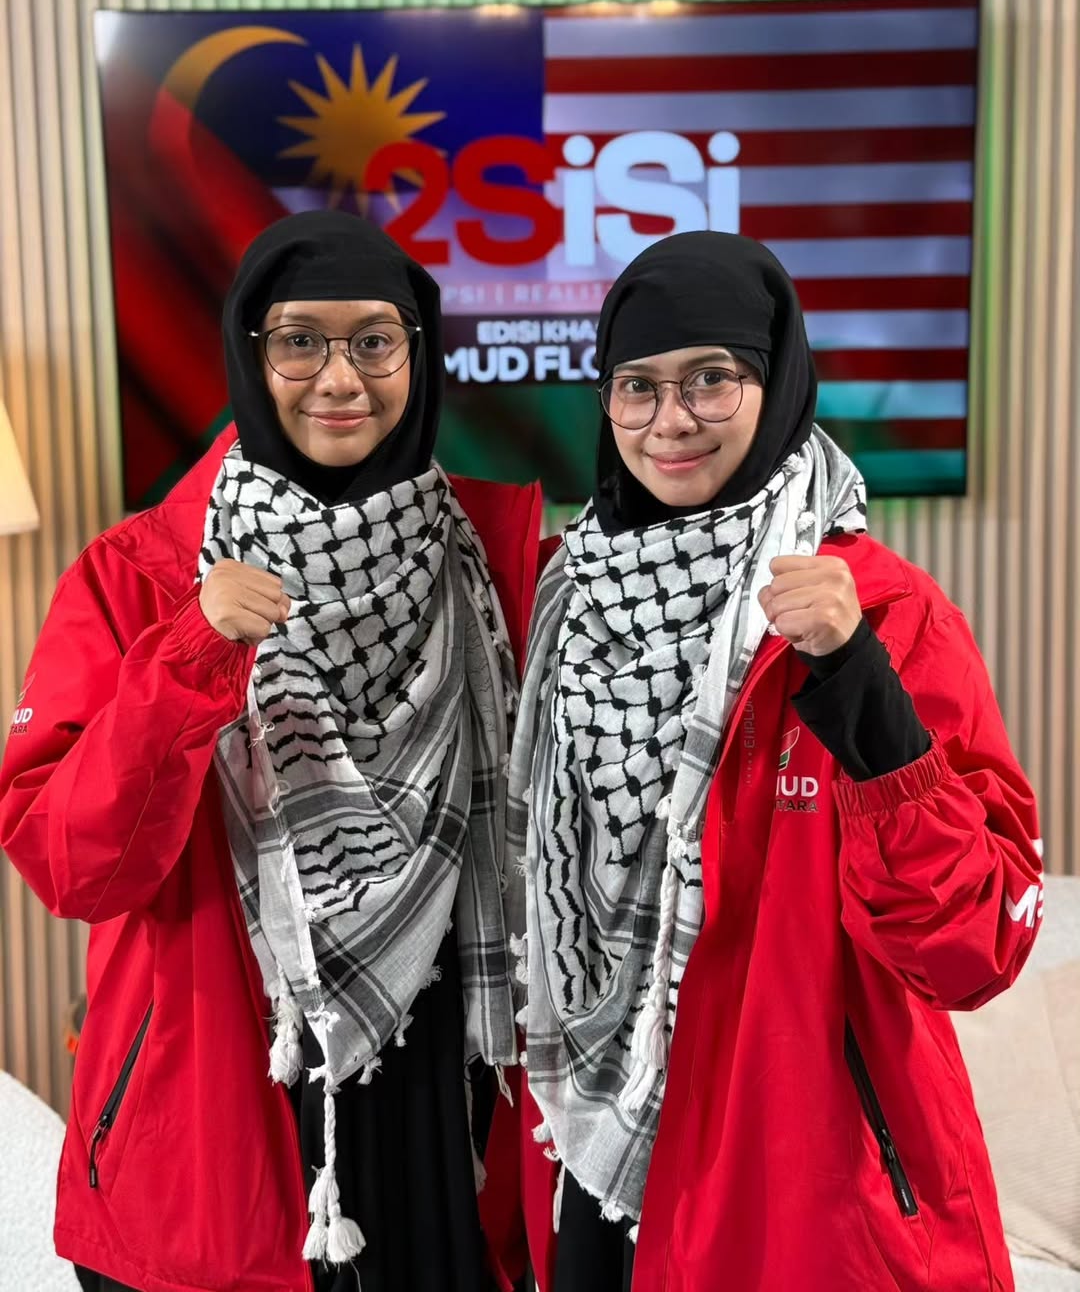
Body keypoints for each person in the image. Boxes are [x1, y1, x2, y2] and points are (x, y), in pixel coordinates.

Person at [0, 210, 543, 1292]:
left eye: (375, 340)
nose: (339, 378)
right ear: (251, 354)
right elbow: (73, 865)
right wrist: (192, 652)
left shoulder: (495, 560)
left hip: (443, 1110)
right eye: (299, 340)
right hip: (223, 1108)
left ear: (418, 355)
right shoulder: (139, 575)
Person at [506, 231, 1042, 1292]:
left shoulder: (880, 611)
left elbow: (974, 945)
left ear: (778, 381)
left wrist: (857, 685)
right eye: (638, 385)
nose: (671, 419)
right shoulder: (560, 605)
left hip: (808, 1194)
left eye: (712, 378)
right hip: (590, 1158)